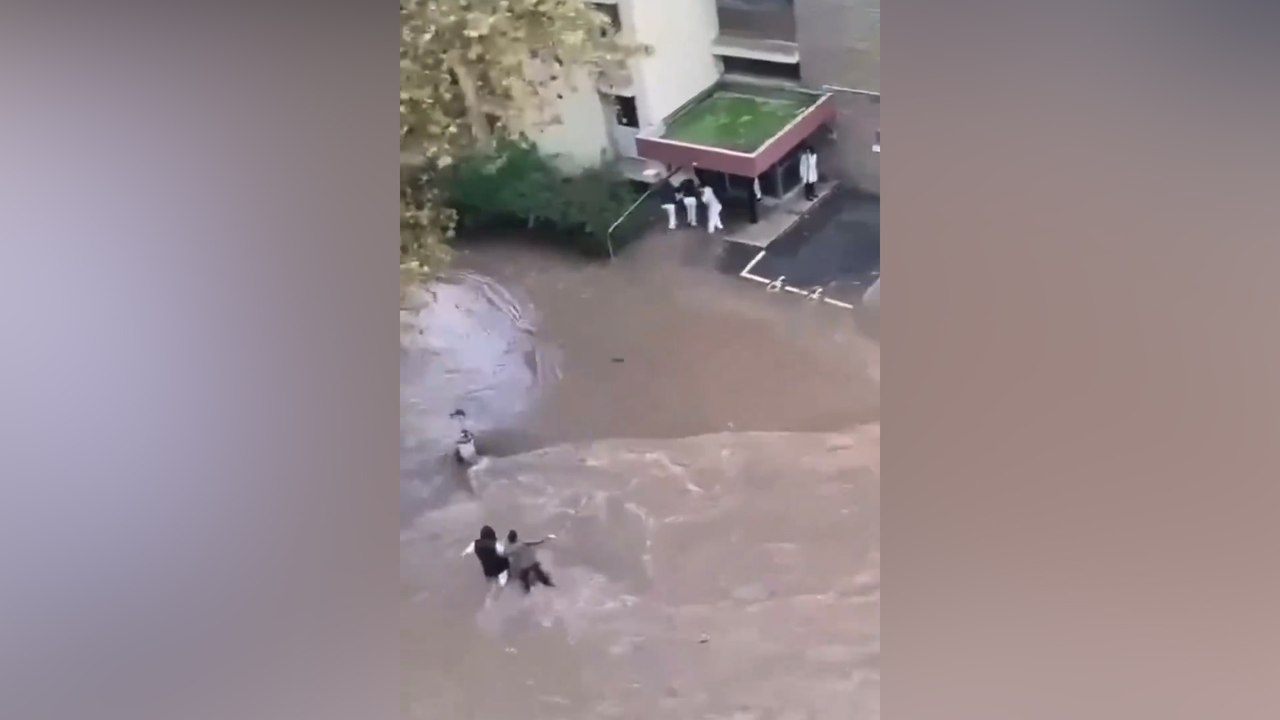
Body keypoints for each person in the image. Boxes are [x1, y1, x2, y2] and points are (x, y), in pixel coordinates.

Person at [504, 529, 557, 593]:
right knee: (537, 573)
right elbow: (532, 543)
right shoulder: (521, 543)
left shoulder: (516, 546)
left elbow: (508, 553)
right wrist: (542, 541)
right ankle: (547, 583)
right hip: (531, 562)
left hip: (526, 564)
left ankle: (527, 590)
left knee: (524, 577)